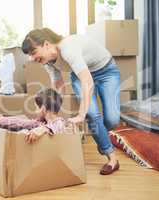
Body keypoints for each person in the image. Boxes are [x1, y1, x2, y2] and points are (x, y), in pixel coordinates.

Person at [21, 28, 120, 175]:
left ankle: (102, 138)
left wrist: (80, 115)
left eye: (34, 52)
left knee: (112, 119)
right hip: (80, 74)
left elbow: (88, 81)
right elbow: (59, 86)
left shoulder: (68, 48)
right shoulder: (48, 62)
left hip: (107, 71)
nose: (32, 58)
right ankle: (112, 158)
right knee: (92, 114)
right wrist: (50, 113)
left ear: (46, 44)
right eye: (30, 55)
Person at [0, 88, 70, 144]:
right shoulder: (40, 122)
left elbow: (57, 126)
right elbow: (21, 122)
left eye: (36, 108)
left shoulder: (59, 123)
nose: (35, 111)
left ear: (43, 109)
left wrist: (44, 129)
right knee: (23, 129)